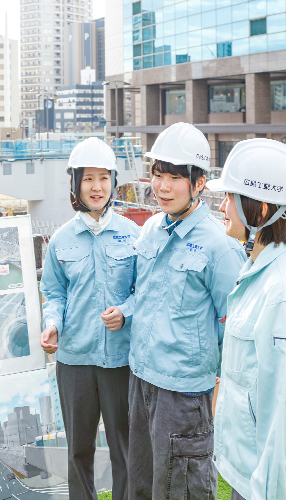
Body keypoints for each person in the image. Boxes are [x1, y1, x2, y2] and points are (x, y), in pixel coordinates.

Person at [127, 122, 246, 499]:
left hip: (184, 395)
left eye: (175, 177)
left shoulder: (219, 247)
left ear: (198, 183)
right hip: (141, 380)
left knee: (184, 490)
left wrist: (219, 391)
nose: (162, 187)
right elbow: (142, 296)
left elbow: (235, 328)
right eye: (157, 174)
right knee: (142, 485)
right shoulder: (149, 231)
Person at [40, 137, 140, 500]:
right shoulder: (61, 241)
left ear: (114, 182)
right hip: (74, 362)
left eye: (103, 178)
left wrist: (126, 313)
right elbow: (54, 293)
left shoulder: (134, 235)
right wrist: (52, 323)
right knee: (78, 451)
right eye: (87, 179)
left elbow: (144, 291)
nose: (96, 187)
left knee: (125, 450)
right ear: (75, 185)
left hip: (120, 361)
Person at [207, 138, 286, 500]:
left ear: (260, 209)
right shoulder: (255, 268)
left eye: (229, 198)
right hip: (246, 471)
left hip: (262, 483)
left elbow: (279, 413)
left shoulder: (278, 290)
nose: (222, 207)